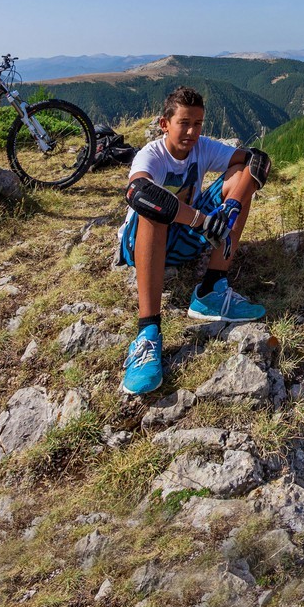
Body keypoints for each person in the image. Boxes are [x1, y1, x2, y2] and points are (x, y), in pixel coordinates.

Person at [119, 86, 270, 394]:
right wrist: (202, 221)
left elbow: (258, 161)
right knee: (154, 204)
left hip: (184, 239)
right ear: (165, 124)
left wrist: (232, 206)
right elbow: (138, 193)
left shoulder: (202, 147)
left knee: (242, 174)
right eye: (183, 123)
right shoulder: (152, 155)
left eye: (198, 124)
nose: (191, 131)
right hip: (142, 244)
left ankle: (211, 289)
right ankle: (148, 332)